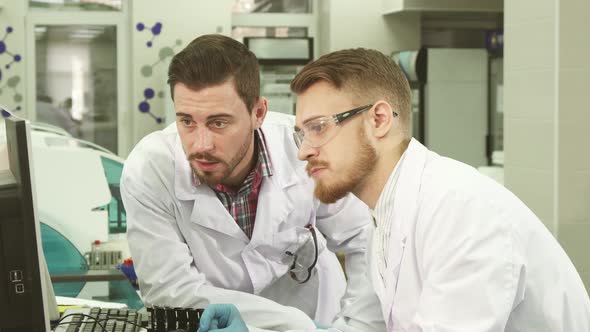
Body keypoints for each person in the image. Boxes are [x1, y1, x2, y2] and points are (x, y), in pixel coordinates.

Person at [202, 47, 590, 331]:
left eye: (319, 128)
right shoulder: (387, 215)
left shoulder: (459, 208)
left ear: (379, 119)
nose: (303, 151)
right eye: (301, 133)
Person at [121, 35, 384, 331]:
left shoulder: (304, 148)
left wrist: (357, 324)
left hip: (321, 315)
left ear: (258, 113)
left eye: (219, 123)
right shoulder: (151, 168)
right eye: (187, 121)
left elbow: (365, 235)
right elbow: (170, 291)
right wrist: (291, 323)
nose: (201, 144)